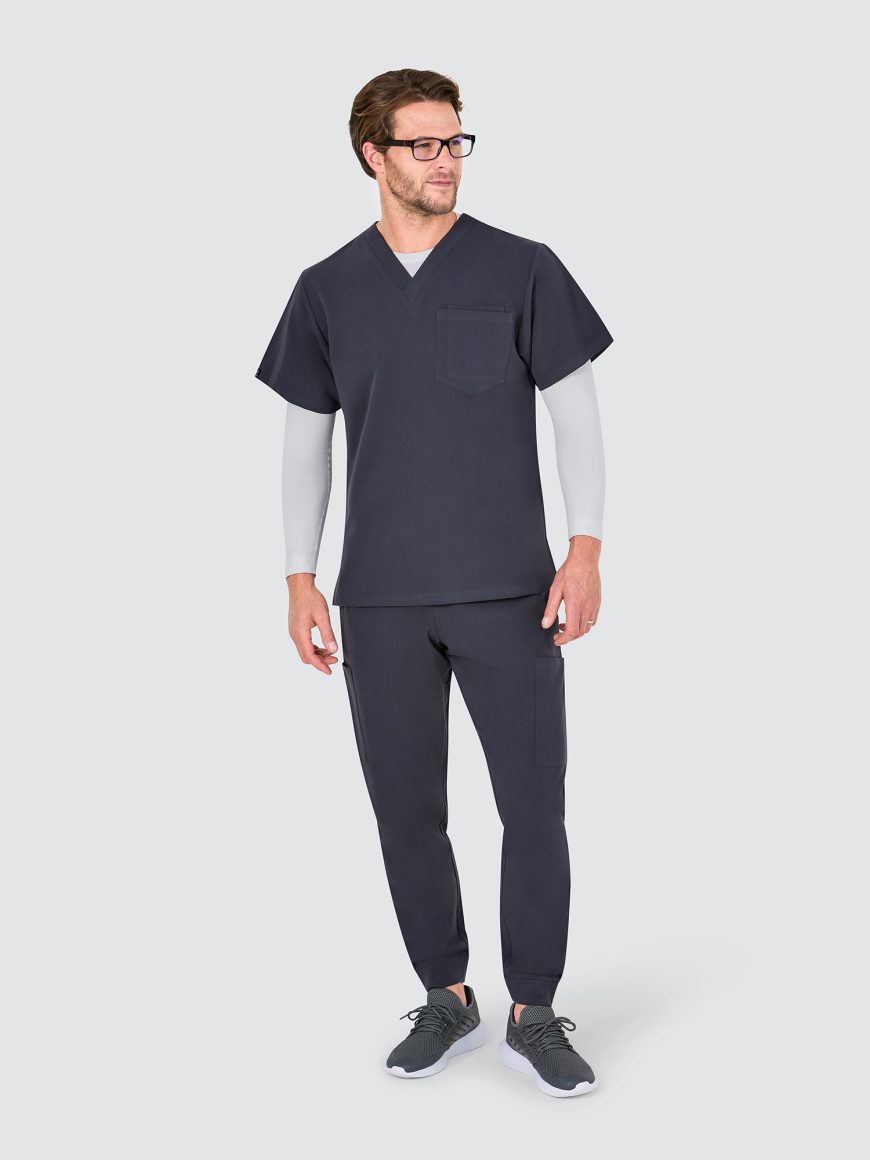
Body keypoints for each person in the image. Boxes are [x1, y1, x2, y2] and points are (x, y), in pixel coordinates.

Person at [254, 68, 613, 1099]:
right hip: (379, 597)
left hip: (509, 590)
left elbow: (578, 417)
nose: (445, 159)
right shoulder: (327, 288)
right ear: (372, 155)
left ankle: (534, 1008)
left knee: (532, 806)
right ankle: (446, 993)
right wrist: (298, 576)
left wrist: (585, 549)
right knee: (405, 809)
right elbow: (304, 446)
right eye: (423, 144)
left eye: (455, 141)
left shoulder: (523, 268)